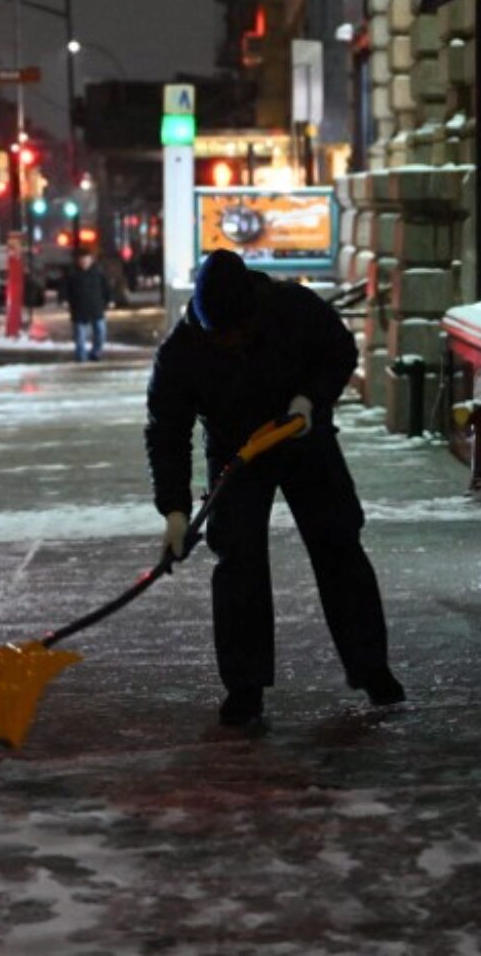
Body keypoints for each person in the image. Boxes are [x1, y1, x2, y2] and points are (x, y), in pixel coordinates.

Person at [145, 247, 404, 728]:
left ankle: (371, 666)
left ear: (252, 314)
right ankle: (245, 688)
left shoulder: (293, 307)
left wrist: (309, 401)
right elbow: (167, 434)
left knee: (338, 544)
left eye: (238, 333)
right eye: (220, 336)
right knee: (238, 557)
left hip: (303, 437)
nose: (230, 343)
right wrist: (175, 512)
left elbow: (339, 352)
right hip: (237, 452)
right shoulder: (181, 353)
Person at [65, 247, 111, 362]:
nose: (84, 262)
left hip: (96, 307)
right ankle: (81, 355)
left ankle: (96, 352)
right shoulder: (72, 273)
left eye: (86, 259)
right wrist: (64, 299)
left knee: (100, 332)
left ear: (91, 260)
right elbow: (65, 288)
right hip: (79, 308)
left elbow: (106, 287)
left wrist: (110, 300)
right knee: (80, 335)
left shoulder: (98, 272)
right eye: (82, 259)